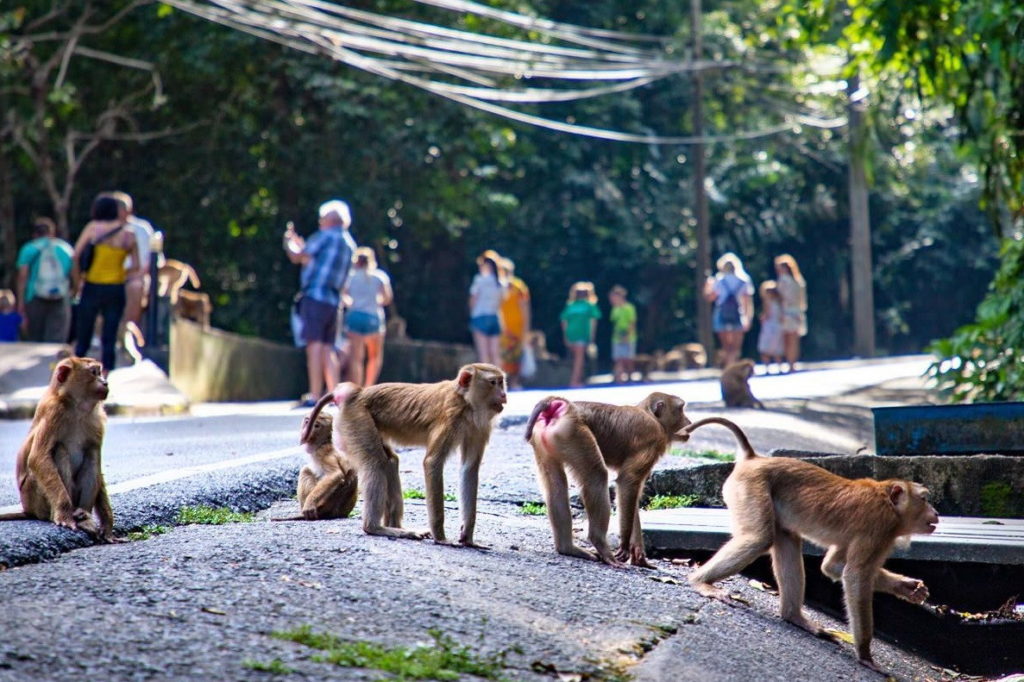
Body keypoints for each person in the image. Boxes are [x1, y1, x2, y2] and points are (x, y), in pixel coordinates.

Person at [284, 199, 357, 407]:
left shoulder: (324, 236)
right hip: (334, 302)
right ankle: (334, 395)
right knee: (328, 348)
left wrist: (289, 242)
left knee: (314, 345)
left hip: (315, 296)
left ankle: (315, 395)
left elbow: (298, 257)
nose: (319, 222)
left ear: (329, 219)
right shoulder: (349, 243)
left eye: (321, 218)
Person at [72, 194, 139, 374]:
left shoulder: (93, 229)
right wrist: (120, 274)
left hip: (92, 286)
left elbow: (75, 255)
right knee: (109, 335)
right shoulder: (128, 234)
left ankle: (77, 373)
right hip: (116, 289)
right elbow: (136, 266)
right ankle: (106, 375)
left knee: (84, 333)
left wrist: (78, 282)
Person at [15, 217, 74, 342]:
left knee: (35, 337)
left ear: (35, 234)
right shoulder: (65, 248)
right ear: (52, 232)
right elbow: (74, 271)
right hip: (61, 295)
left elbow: (22, 276)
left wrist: (21, 302)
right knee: (56, 338)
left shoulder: (29, 249)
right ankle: (52, 361)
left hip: (34, 296)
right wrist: (74, 290)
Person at [343, 246, 393, 387]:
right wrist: (376, 302)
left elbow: (344, 296)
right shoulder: (380, 276)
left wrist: (352, 303)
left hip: (355, 316)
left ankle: (357, 388)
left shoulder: (350, 277)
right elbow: (387, 298)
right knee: (374, 356)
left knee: (356, 358)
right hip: (373, 317)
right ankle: (369, 387)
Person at [109, 191, 156, 337]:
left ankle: (127, 333)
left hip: (136, 275)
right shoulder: (104, 228)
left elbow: (151, 257)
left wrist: (139, 273)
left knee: (136, 287)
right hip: (109, 274)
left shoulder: (142, 228)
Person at [704, 252, 755, 368]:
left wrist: (708, 286)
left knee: (726, 345)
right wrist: (748, 318)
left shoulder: (718, 280)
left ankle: (728, 366)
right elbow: (747, 301)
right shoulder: (744, 280)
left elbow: (710, 297)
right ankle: (733, 365)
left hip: (722, 312)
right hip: (738, 313)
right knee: (736, 346)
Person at [468, 249, 506, 366]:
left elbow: (473, 299)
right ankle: (499, 381)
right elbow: (501, 302)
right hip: (495, 317)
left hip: (480, 317)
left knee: (483, 355)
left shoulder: (479, 280)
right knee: (495, 354)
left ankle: (485, 383)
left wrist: (471, 314)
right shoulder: (501, 283)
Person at [560, 281, 601, 388]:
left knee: (576, 358)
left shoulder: (570, 306)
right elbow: (593, 322)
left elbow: (564, 322)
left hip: (571, 334)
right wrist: (592, 337)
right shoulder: (590, 306)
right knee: (580, 358)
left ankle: (579, 379)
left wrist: (565, 336)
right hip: (582, 334)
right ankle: (574, 381)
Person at [498, 257, 531, 389]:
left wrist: (526, 327)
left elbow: (524, 307)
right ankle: (508, 383)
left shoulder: (518, 286)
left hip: (513, 326)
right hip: (506, 325)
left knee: (515, 355)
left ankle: (513, 382)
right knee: (505, 355)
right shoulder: (501, 285)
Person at [775, 253, 808, 372]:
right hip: (797, 312)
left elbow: (781, 297)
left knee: (787, 340)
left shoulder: (783, 280)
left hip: (786, 311)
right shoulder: (799, 281)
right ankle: (792, 363)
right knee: (795, 340)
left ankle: (789, 363)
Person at [608, 285, 637, 383]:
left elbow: (632, 323)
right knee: (618, 359)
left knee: (628, 359)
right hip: (617, 338)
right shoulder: (615, 309)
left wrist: (628, 336)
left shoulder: (629, 308)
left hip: (629, 337)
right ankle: (618, 378)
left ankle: (630, 377)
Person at [757, 280, 785, 371]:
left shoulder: (767, 303)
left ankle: (767, 367)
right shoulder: (779, 303)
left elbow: (766, 315)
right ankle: (779, 366)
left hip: (769, 327)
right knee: (777, 347)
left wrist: (762, 318)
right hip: (778, 326)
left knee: (765, 347)